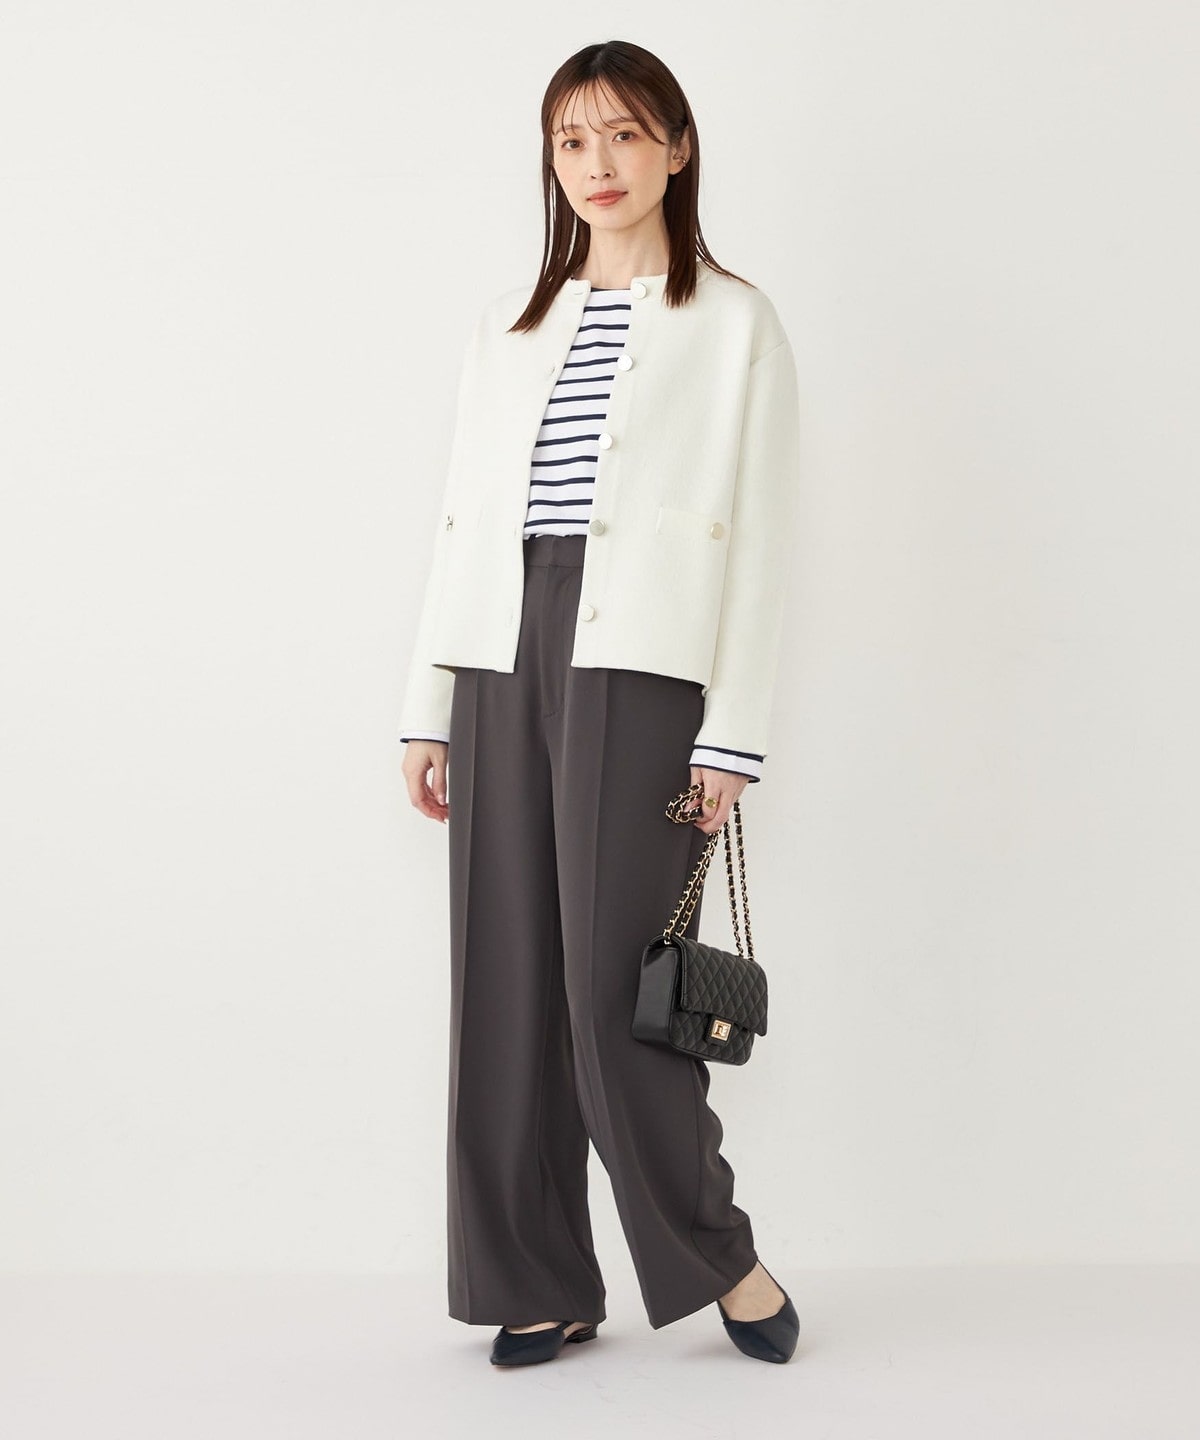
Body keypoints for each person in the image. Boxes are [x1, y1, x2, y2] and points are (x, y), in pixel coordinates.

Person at [398, 39, 802, 1367]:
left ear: (676, 147)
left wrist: (731, 733)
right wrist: (429, 704)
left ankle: (719, 1255)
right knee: (504, 978)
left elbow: (762, 543)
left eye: (625, 134)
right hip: (500, 650)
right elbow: (462, 524)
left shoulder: (734, 323)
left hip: (643, 660)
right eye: (573, 141)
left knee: (615, 982)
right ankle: (538, 1278)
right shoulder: (510, 328)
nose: (599, 164)